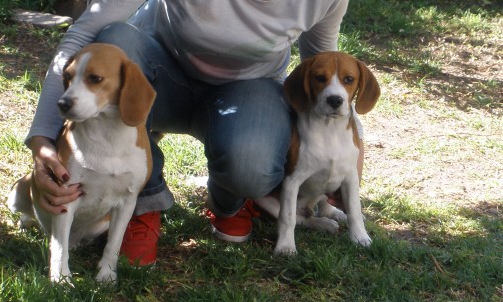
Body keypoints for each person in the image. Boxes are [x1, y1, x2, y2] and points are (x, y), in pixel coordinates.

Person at [27, 0, 364, 265]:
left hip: (248, 89)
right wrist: (43, 141)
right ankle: (142, 201)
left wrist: (348, 148)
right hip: (158, 78)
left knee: (251, 163)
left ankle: (231, 200)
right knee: (116, 39)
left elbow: (325, 67)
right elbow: (84, 34)